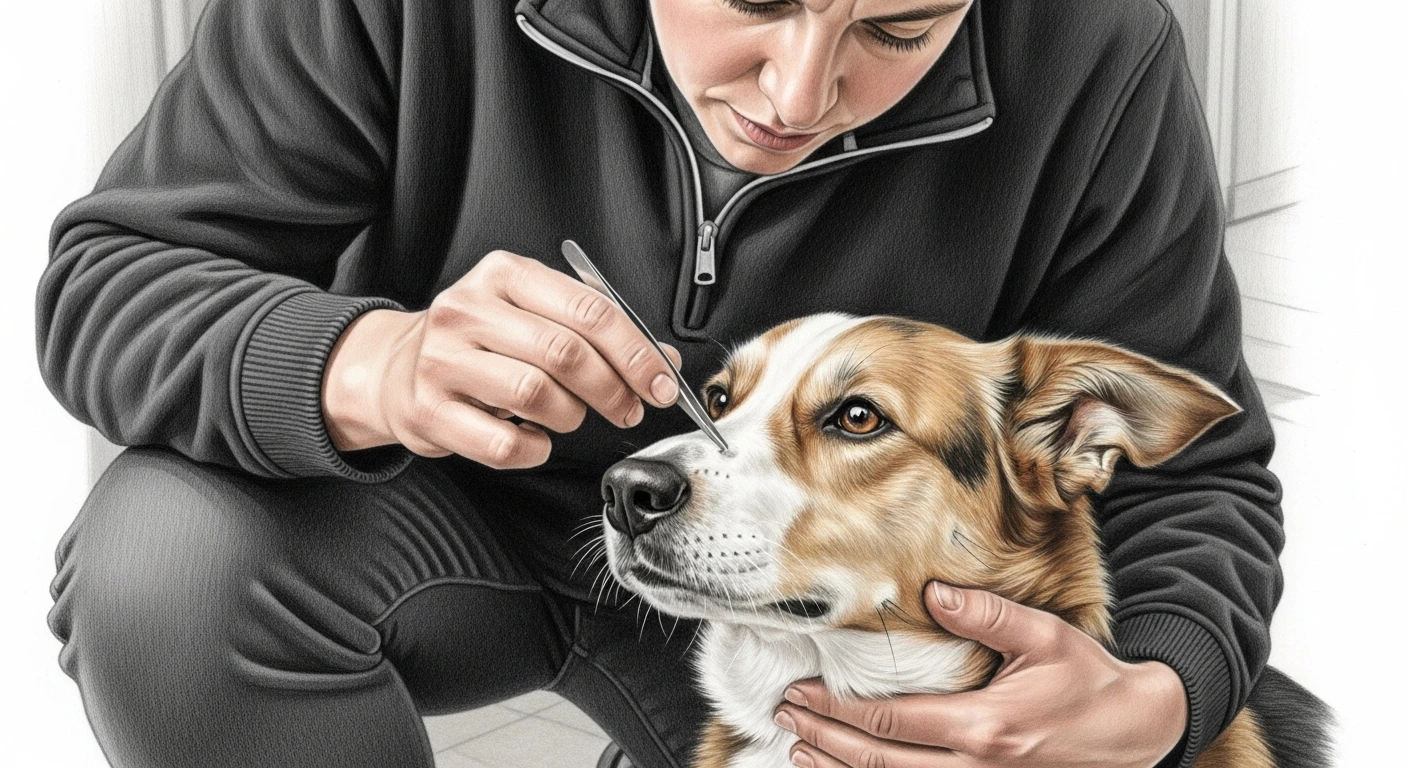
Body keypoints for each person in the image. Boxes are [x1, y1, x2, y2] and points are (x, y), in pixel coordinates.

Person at [36, 1, 1283, 767]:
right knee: (164, 566)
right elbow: (110, 281)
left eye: (898, 29)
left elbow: (1200, 474)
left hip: (831, 628)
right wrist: (368, 362)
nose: (798, 96)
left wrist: (1159, 694)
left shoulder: (1099, 48)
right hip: (423, 518)